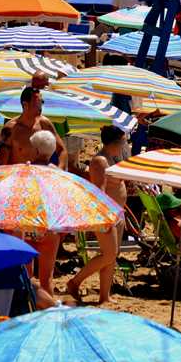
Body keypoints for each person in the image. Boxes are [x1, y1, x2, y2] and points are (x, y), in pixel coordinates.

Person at [65, 125, 129, 304]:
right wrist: (106, 217)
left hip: (117, 212)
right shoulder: (100, 161)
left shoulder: (113, 158)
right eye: (123, 141)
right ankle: (74, 282)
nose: (125, 145)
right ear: (116, 142)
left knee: (111, 256)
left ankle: (104, 296)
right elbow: (99, 191)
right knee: (109, 254)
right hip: (105, 213)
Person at [0, 86, 66, 169]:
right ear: (25, 105)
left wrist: (59, 170)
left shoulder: (44, 124)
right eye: (37, 103)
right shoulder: (10, 129)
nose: (40, 106)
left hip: (41, 178)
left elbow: (62, 150)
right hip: (20, 178)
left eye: (41, 102)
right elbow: (2, 164)